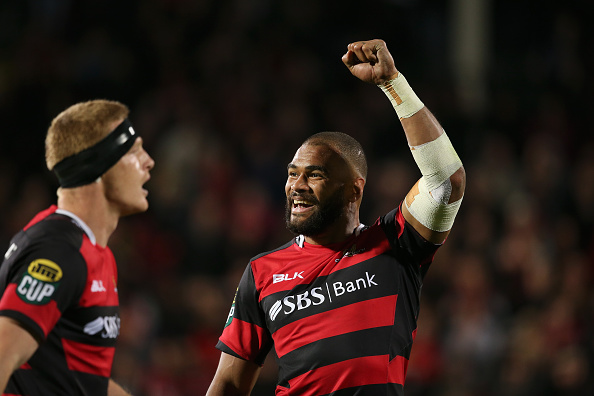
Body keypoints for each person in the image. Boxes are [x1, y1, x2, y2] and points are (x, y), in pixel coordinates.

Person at [206, 39, 466, 395]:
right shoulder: (262, 271)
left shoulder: (394, 244)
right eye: (292, 173)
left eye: (315, 175)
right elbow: (229, 384)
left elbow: (446, 182)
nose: (296, 186)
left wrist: (393, 83)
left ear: (354, 190)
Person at [0, 100, 155, 396]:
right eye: (134, 151)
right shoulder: (59, 252)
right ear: (98, 167)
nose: (148, 161)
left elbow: (76, 379)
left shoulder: (94, 251)